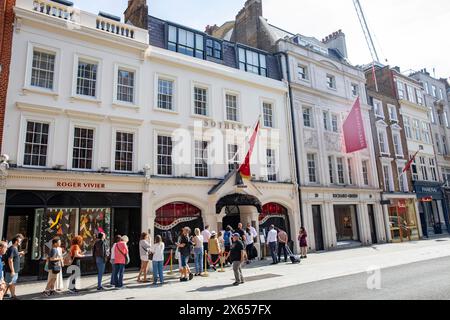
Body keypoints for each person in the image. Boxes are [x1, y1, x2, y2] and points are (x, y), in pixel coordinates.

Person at [3, 235, 25, 300]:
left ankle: (13, 296)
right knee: (7, 284)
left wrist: (19, 253)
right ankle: (2, 295)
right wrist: (12, 271)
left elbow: (14, 255)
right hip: (11, 271)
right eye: (20, 241)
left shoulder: (15, 249)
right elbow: (10, 260)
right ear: (16, 242)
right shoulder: (12, 248)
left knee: (12, 283)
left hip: (14, 271)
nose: (20, 242)